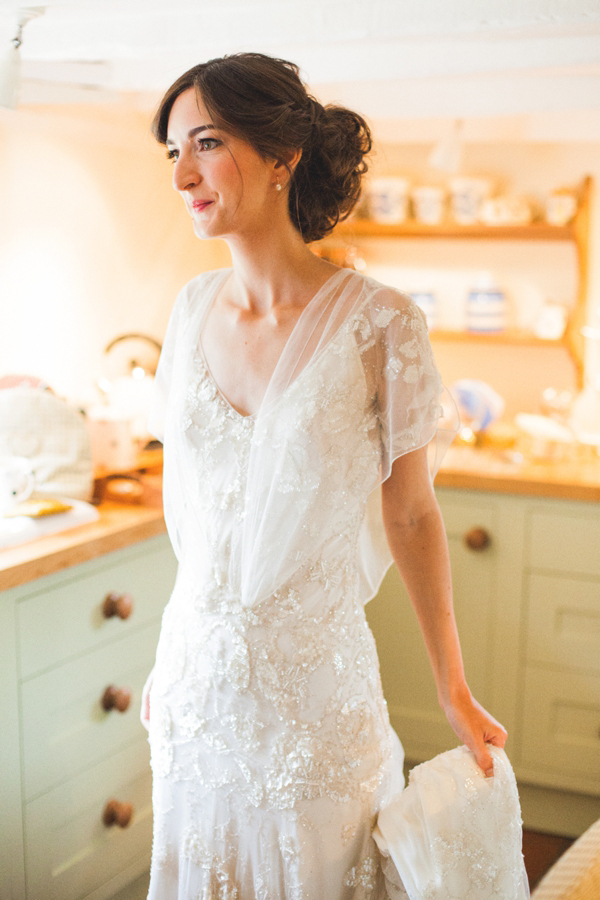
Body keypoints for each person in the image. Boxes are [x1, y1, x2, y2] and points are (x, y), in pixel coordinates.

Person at [141, 52, 528, 900]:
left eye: (206, 143)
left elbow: (414, 517)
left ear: (283, 155)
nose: (184, 174)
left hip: (315, 711)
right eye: (173, 151)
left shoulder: (382, 325)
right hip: (194, 693)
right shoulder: (188, 310)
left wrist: (453, 688)